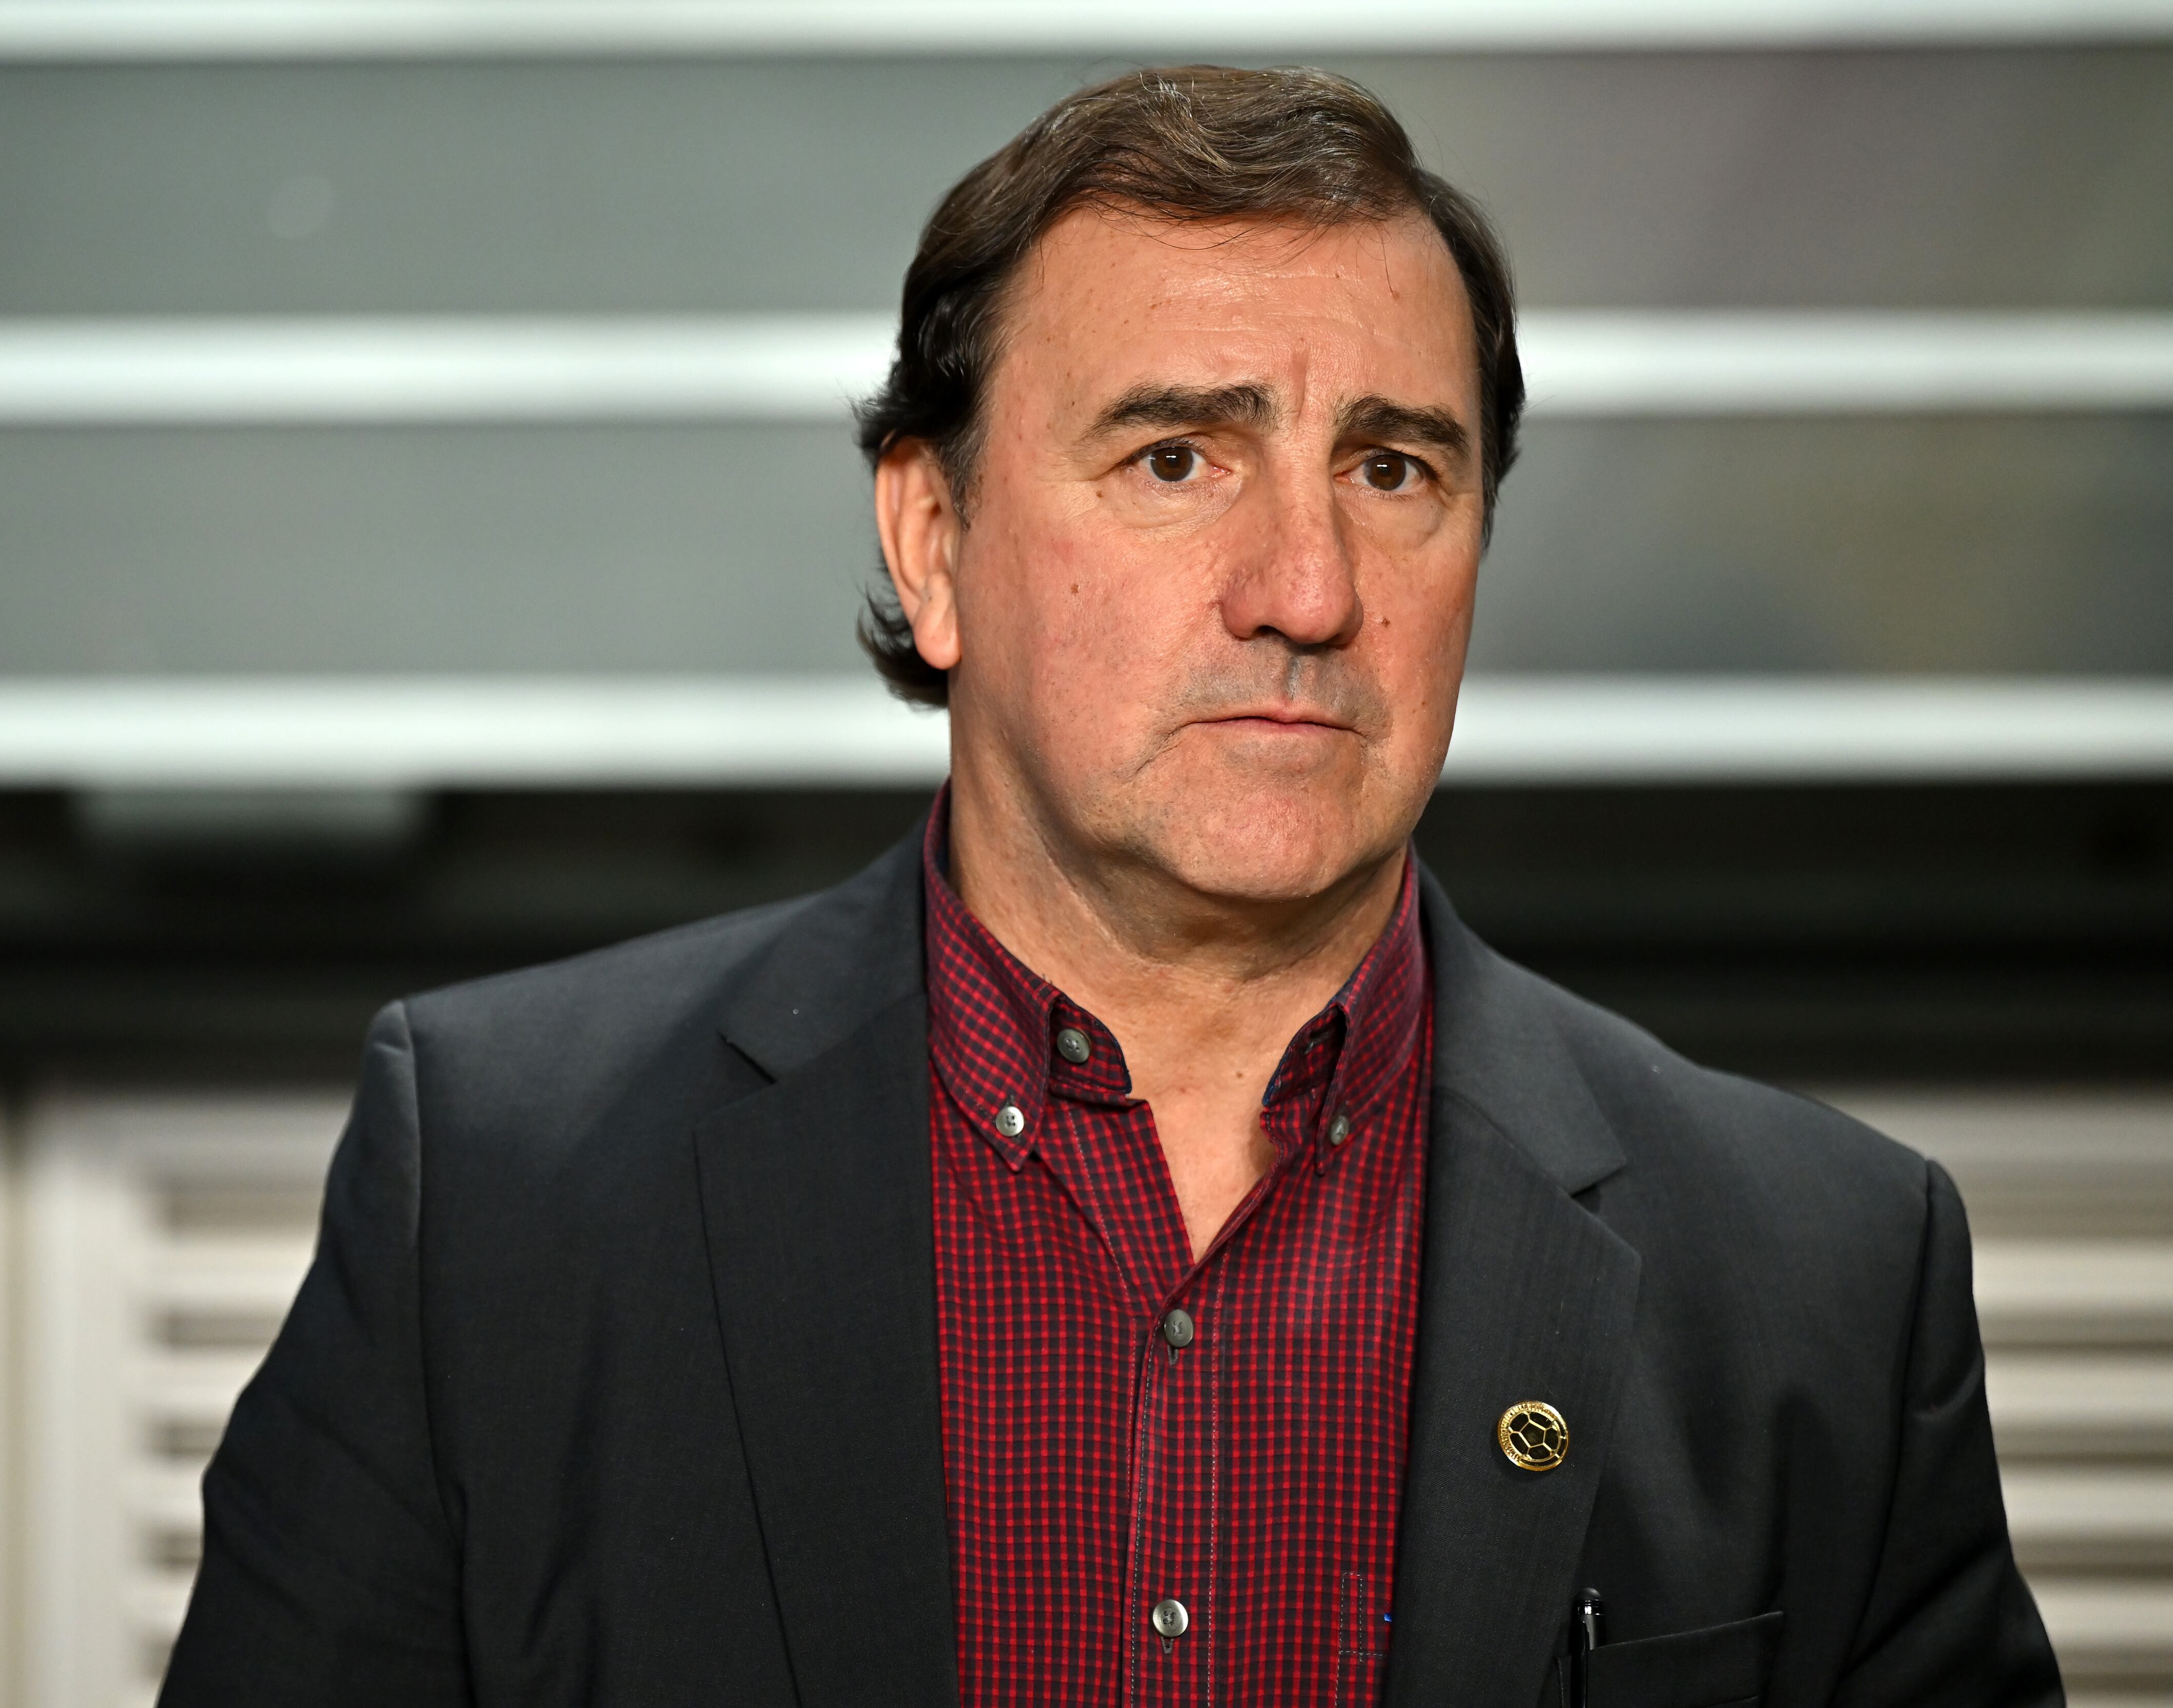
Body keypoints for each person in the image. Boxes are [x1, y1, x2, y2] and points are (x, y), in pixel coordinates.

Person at [159, 66, 2059, 1707]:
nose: (1307, 589)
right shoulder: (500, 1203)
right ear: (935, 540)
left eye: (1395, 470)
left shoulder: (1824, 1281)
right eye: (1175, 458)